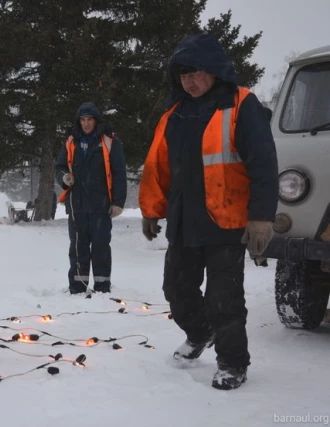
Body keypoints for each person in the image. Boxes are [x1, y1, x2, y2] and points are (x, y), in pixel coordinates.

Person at [138, 34, 278, 390]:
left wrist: (261, 217)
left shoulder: (240, 104)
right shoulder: (175, 111)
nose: (190, 81)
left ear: (215, 71)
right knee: (176, 290)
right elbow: (158, 166)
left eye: (197, 73)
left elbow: (263, 164)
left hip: (225, 221)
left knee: (223, 298)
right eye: (184, 75)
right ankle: (200, 334)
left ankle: (233, 362)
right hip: (185, 220)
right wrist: (152, 210)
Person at [55, 102, 127, 295]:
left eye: (90, 119)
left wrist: (118, 202)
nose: (86, 124)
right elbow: (60, 166)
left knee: (101, 246)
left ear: (96, 121)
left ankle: (102, 287)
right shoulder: (71, 141)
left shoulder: (110, 142)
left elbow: (119, 173)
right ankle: (78, 287)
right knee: (78, 247)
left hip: (101, 204)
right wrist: (63, 177)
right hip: (76, 204)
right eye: (83, 120)